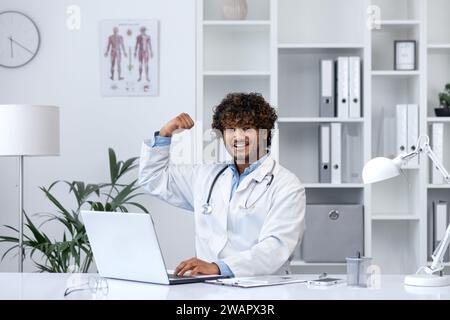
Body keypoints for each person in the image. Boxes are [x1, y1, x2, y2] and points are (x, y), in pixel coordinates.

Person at [138, 93, 306, 277]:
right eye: (231, 129)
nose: (238, 136)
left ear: (264, 133)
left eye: (247, 128)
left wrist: (219, 267)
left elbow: (276, 247)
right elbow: (152, 178)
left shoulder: (286, 185)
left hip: (261, 289)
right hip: (208, 287)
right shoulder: (206, 176)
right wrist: (165, 134)